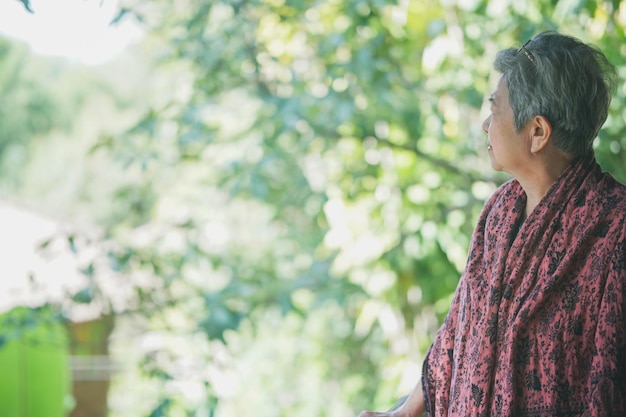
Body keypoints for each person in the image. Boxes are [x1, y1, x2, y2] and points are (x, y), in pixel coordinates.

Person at [358, 31, 626, 417]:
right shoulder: (499, 213)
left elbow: (609, 388)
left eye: (495, 109)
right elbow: (456, 333)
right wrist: (402, 413)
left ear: (537, 133)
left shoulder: (614, 230)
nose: (486, 124)